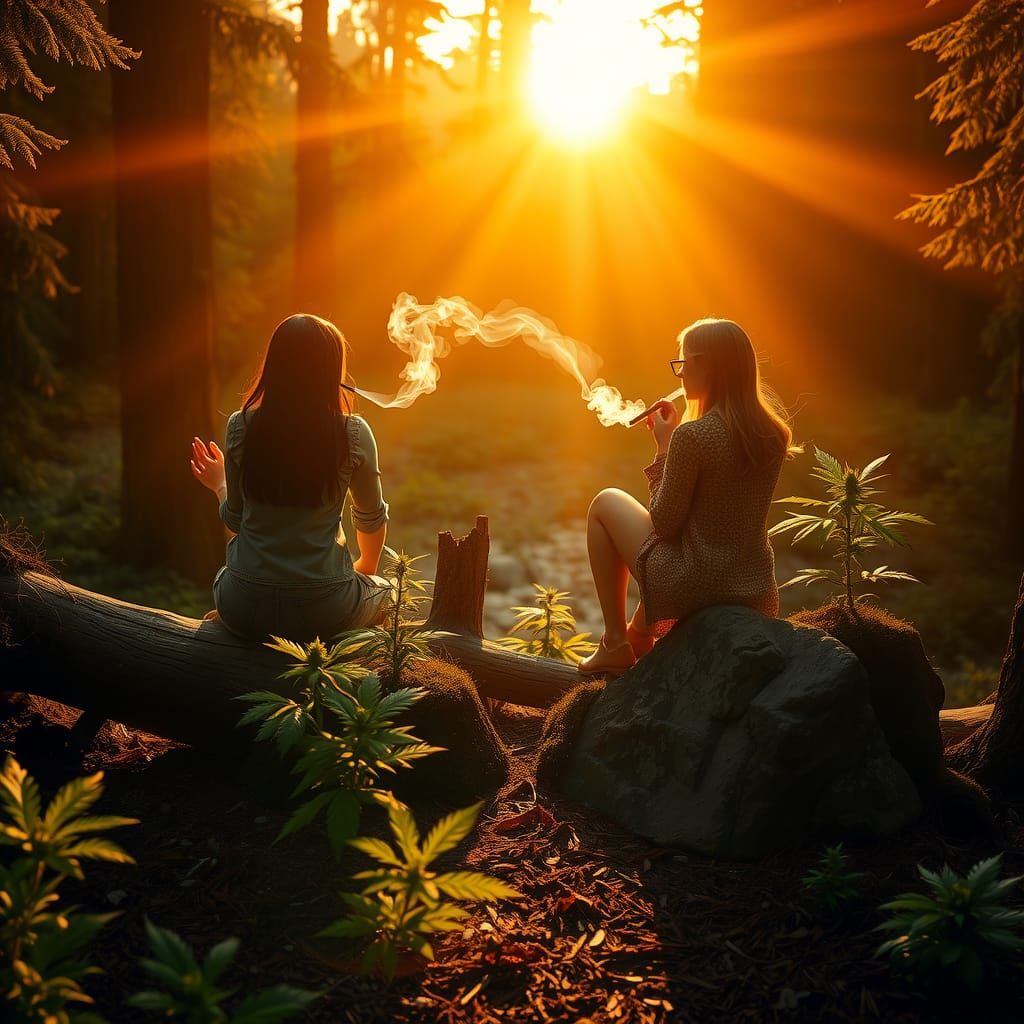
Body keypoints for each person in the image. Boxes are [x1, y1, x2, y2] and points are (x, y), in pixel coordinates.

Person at [577, 317, 797, 676]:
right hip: (752, 584)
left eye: (683, 363)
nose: (679, 375)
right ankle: (639, 634)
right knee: (682, 545)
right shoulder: (772, 434)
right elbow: (711, 515)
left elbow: (664, 524)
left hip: (695, 582)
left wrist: (664, 448)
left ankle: (615, 643)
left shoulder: (692, 437)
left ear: (707, 365)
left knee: (605, 502)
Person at [189, 313, 393, 643]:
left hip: (241, 602)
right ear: (331, 370)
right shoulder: (353, 432)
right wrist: (366, 567)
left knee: (228, 579)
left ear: (274, 365)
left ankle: (244, 628)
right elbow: (370, 518)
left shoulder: (241, 426)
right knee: (390, 592)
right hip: (324, 608)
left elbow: (236, 520)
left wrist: (219, 484)